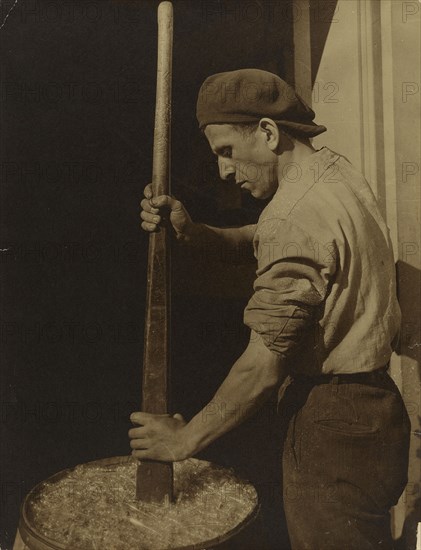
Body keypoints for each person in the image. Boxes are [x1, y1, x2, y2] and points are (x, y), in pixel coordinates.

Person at [129, 69, 410, 549]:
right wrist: (195, 233)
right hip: (379, 413)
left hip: (332, 429)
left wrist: (183, 441)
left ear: (267, 131)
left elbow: (262, 368)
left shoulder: (291, 217)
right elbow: (274, 238)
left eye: (226, 152)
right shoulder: (336, 175)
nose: (223, 171)